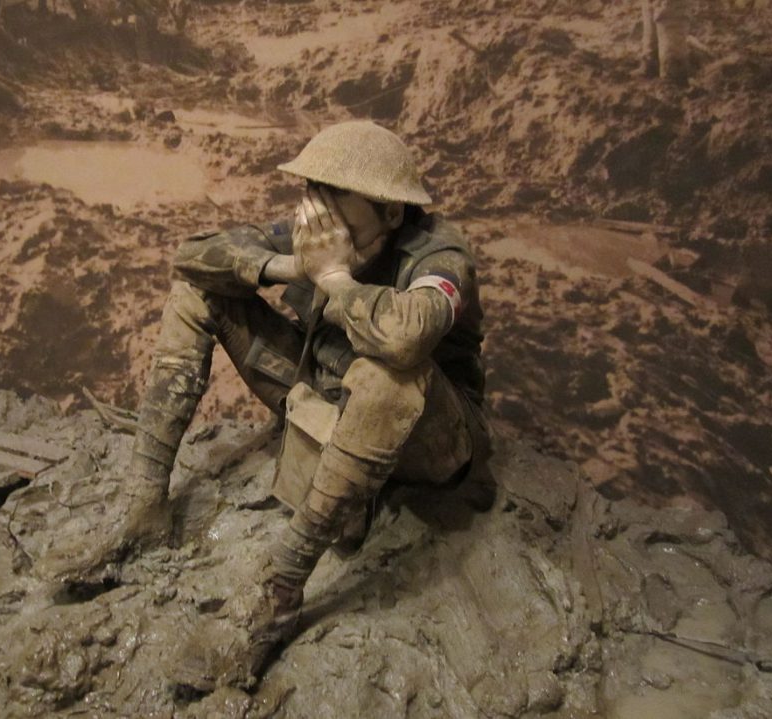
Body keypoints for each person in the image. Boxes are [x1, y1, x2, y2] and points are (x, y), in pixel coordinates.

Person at [105, 120, 489, 686]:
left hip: (430, 437)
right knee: (197, 291)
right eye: (311, 188)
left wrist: (334, 277)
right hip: (324, 389)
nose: (315, 207)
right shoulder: (321, 235)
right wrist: (289, 266)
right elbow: (191, 256)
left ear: (390, 212)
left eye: (333, 194)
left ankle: (280, 589)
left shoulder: (438, 254)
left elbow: (408, 337)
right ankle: (144, 506)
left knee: (389, 374)